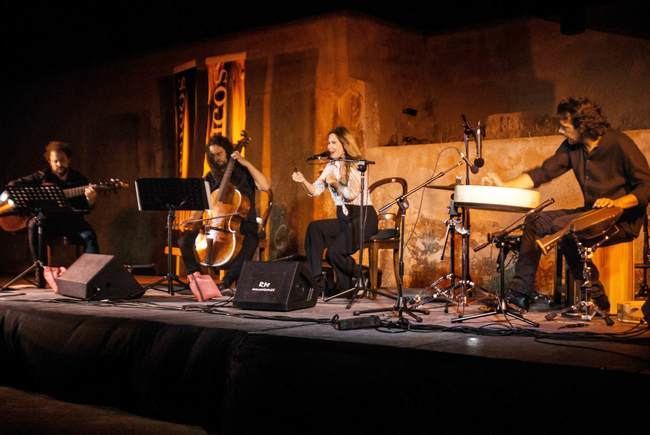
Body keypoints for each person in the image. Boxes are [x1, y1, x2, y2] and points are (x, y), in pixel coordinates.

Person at [487, 97, 650, 312]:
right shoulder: (572, 147)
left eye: (565, 127)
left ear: (582, 126)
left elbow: (646, 186)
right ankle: (519, 294)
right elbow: (543, 172)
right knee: (535, 220)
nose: (560, 131)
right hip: (589, 214)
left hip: (621, 219)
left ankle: (594, 292)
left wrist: (616, 202)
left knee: (565, 227)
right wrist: (504, 186)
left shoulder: (619, 143)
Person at [178, 134, 270, 295]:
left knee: (252, 240)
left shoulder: (244, 172)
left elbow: (265, 185)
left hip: (244, 223)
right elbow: (202, 205)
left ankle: (226, 282)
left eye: (219, 154)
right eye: (212, 155)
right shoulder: (209, 176)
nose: (216, 158)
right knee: (184, 240)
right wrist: (193, 219)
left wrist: (245, 162)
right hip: (214, 224)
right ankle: (197, 279)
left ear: (227, 151)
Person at [292, 126, 378, 294]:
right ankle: (316, 280)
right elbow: (315, 190)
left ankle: (360, 274)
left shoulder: (357, 165)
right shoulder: (331, 166)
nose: (329, 147)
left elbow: (351, 194)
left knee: (334, 253)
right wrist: (303, 181)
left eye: (333, 142)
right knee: (315, 228)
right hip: (344, 218)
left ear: (344, 144)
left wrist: (335, 183)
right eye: (328, 143)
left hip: (364, 217)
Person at [6, 141, 99, 266]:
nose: (59, 164)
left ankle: (92, 273)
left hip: (72, 222)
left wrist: (90, 200)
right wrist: (35, 193)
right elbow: (13, 185)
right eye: (55, 161)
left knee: (89, 236)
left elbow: (85, 209)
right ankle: (40, 269)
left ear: (69, 159)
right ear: (49, 162)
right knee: (34, 225)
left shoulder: (80, 179)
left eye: (62, 160)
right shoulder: (42, 176)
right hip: (49, 223)